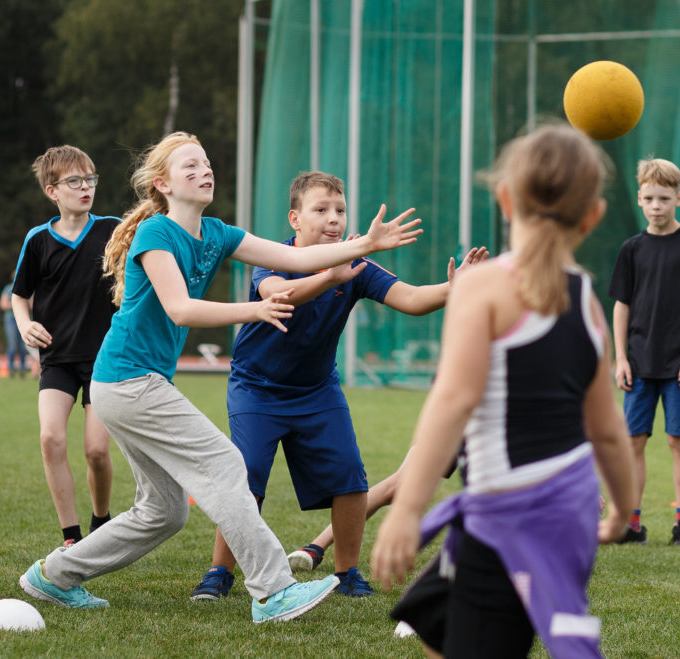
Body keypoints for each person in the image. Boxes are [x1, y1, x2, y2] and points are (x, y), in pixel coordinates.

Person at [17, 131, 422, 623]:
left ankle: (52, 576)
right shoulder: (156, 234)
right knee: (229, 466)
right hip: (128, 381)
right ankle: (273, 590)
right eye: (189, 167)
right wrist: (254, 309)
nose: (204, 171)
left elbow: (294, 258)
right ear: (163, 184)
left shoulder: (217, 233)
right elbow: (181, 309)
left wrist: (363, 244)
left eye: (205, 163)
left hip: (128, 386)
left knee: (164, 512)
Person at [370, 123, 636, 658]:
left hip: (510, 516)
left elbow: (453, 401)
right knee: (437, 626)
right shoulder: (588, 303)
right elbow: (608, 431)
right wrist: (623, 509)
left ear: (505, 198)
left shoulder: (483, 286)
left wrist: (407, 510)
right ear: (594, 216)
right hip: (568, 511)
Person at [189, 170, 487, 601]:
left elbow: (412, 299)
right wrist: (330, 276)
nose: (334, 219)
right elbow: (281, 294)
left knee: (350, 481)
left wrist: (453, 288)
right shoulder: (274, 257)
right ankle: (219, 573)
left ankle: (348, 573)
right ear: (295, 218)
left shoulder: (357, 266)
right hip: (257, 388)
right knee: (246, 478)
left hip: (317, 391)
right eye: (321, 209)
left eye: (341, 210)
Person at [607, 158, 680, 546]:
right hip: (638, 365)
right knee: (633, 442)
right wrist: (620, 358)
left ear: (679, 198)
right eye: (649, 198)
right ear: (640, 200)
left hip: (679, 367)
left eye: (664, 198)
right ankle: (632, 525)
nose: (656, 205)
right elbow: (621, 305)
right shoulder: (631, 249)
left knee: (678, 442)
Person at [11, 145, 118, 547]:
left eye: (90, 178)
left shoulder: (114, 229)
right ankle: (71, 538)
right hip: (57, 358)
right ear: (52, 190)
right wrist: (25, 325)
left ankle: (102, 519)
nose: (86, 187)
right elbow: (20, 295)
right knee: (50, 439)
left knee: (95, 451)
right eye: (75, 181)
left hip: (105, 359)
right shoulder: (38, 239)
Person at [0, 278, 28, 377]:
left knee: (23, 347)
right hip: (11, 320)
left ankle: (22, 368)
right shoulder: (8, 288)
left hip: (24, 320)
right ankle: (10, 369)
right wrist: (18, 304)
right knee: (12, 345)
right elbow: (3, 304)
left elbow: (32, 304)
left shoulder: (28, 286)